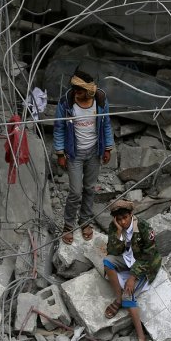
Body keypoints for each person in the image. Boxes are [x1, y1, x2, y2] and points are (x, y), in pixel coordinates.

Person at [54, 70, 114, 245]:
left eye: (79, 90)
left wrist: (107, 149)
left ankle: (85, 221)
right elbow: (59, 128)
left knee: (89, 188)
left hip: (94, 151)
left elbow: (106, 125)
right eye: (74, 90)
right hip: (75, 153)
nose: (76, 93)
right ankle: (68, 225)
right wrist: (60, 152)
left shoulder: (101, 101)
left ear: (88, 90)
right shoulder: (66, 102)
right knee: (75, 191)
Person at [102, 199, 160, 341]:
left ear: (131, 215)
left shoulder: (143, 227)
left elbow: (149, 255)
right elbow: (112, 252)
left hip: (144, 264)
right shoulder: (114, 227)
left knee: (129, 294)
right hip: (127, 259)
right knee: (107, 261)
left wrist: (132, 277)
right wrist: (119, 234)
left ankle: (141, 337)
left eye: (125, 218)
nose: (122, 222)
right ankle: (118, 297)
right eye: (119, 219)